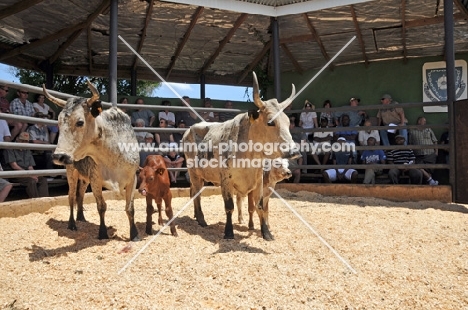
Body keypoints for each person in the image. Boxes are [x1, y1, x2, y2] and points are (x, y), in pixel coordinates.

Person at [3, 132, 49, 198]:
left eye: (26, 141)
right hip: (14, 173)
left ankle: (45, 200)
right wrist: (29, 175)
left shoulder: (27, 149)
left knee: (42, 180)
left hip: (26, 172)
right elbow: (14, 166)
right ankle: (36, 201)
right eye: (22, 140)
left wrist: (34, 174)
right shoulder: (10, 148)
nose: (23, 142)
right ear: (17, 139)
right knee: (31, 181)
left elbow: (30, 166)